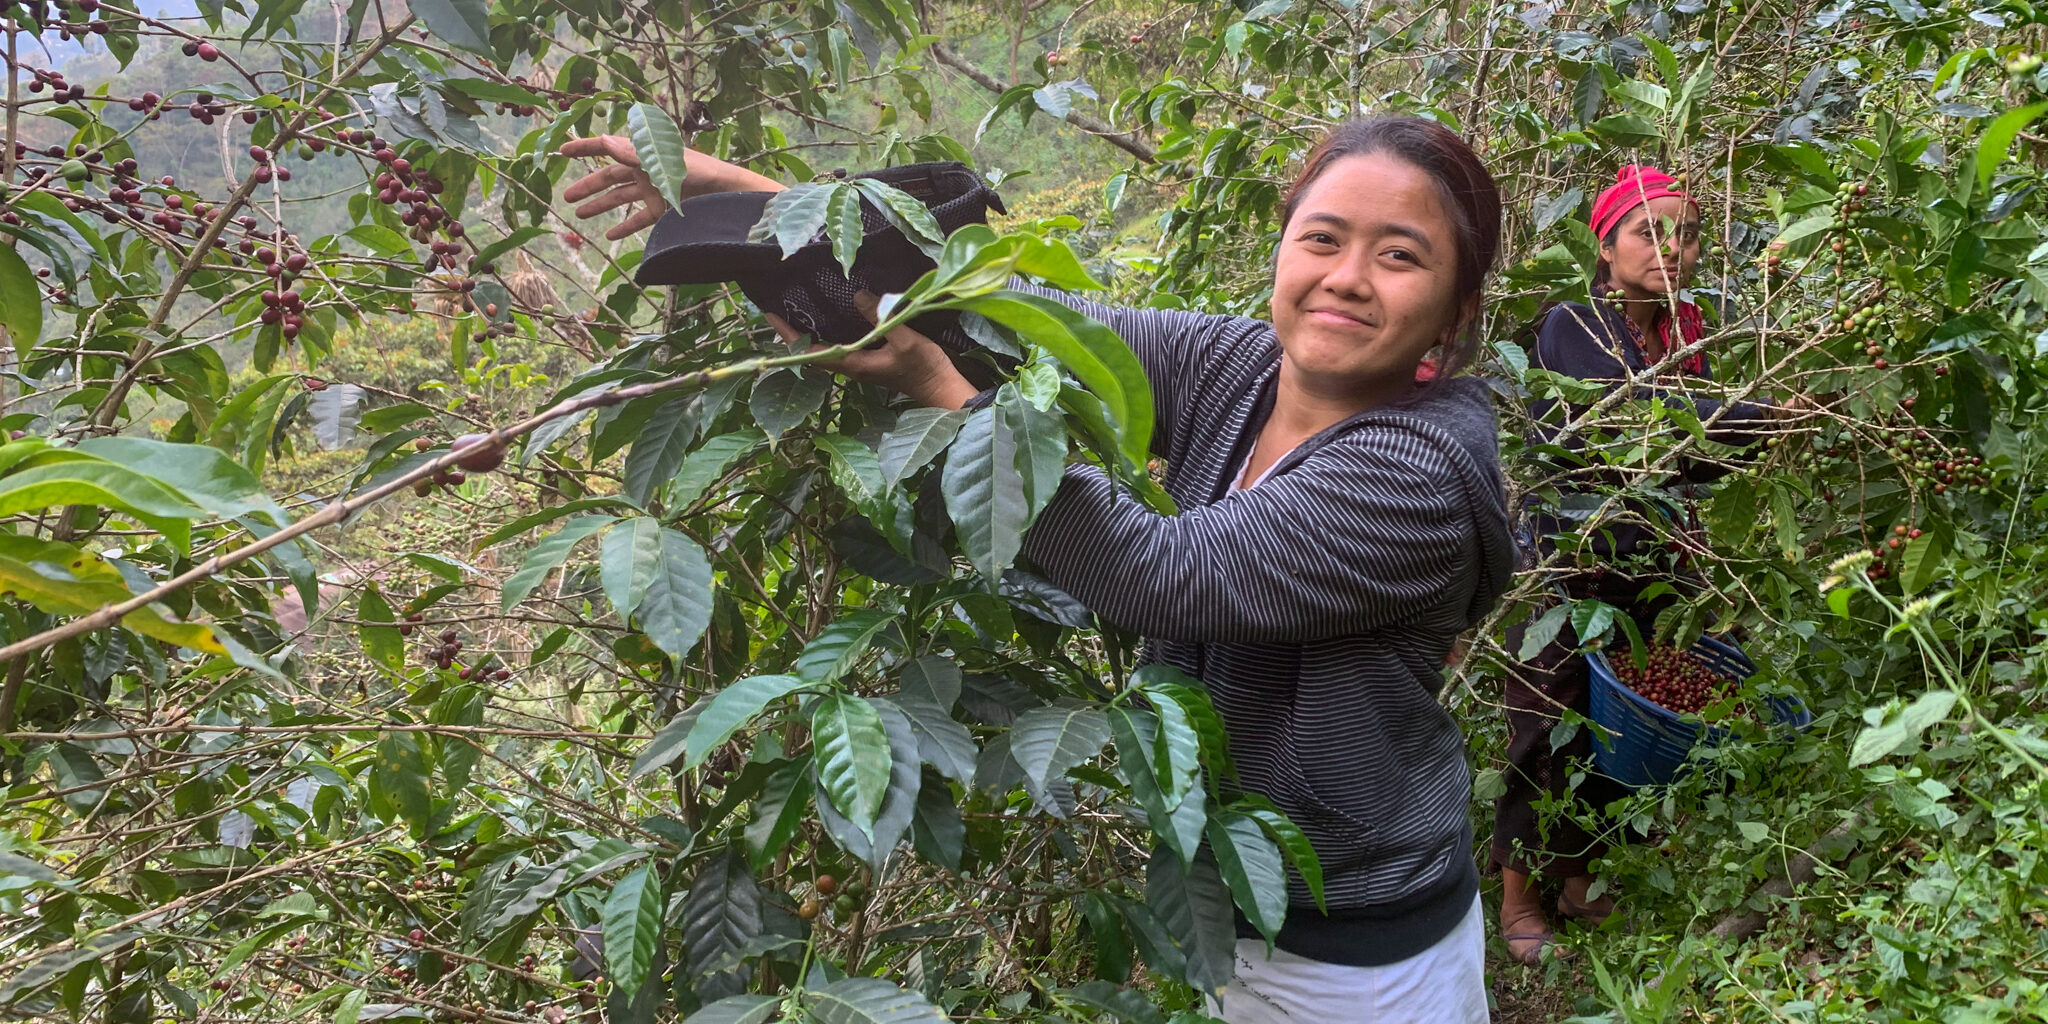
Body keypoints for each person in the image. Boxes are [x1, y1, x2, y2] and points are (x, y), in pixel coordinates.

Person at [569, 117, 1514, 1023]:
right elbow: (1026, 319)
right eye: (1323, 239)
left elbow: (1164, 571)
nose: (1346, 277)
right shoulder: (1244, 366)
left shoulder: (1416, 475)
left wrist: (946, 395)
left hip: (1363, 942)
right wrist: (750, 196)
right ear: (1283, 249)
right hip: (1234, 896)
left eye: (1400, 256)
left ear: (1457, 308)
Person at [1492, 165, 1805, 964]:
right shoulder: (1573, 325)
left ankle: (1579, 883)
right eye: (1649, 232)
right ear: (1606, 246)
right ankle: (1517, 901)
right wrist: (1758, 416)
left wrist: (1772, 428)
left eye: (1688, 234)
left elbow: (1694, 457)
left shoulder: (1686, 340)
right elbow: (1634, 423)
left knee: (1616, 731)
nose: (1672, 248)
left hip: (1652, 564)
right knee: (1547, 726)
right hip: (1567, 564)